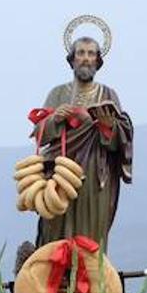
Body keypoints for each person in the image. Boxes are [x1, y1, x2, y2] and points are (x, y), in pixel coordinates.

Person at [32, 32, 133, 250]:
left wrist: (107, 126)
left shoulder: (108, 93)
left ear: (97, 61)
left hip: (95, 172)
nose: (86, 58)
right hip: (60, 172)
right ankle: (54, 276)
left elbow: (122, 136)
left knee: (91, 231)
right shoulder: (57, 93)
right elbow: (39, 133)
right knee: (55, 227)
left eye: (90, 54)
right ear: (72, 59)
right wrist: (55, 119)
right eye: (81, 53)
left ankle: (92, 277)